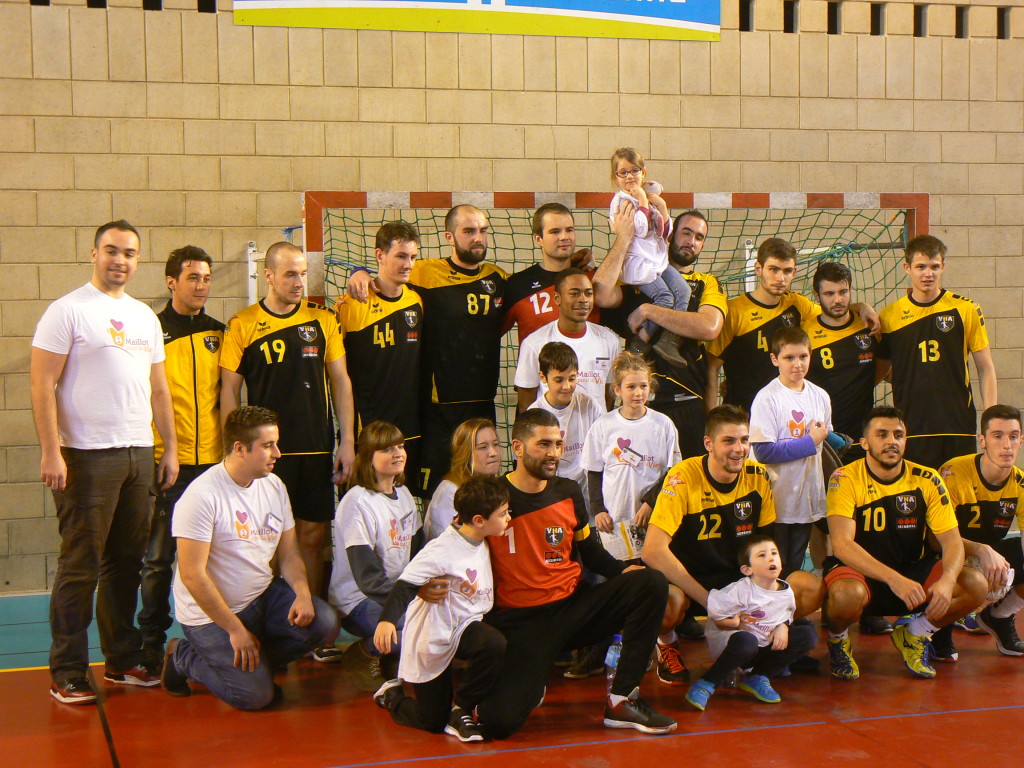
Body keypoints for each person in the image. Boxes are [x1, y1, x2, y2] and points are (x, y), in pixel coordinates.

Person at [31, 220, 179, 705]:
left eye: (130, 253)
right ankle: (68, 670)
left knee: (126, 565)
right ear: (94, 254)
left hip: (138, 453)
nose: (120, 260)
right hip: (85, 457)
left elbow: (159, 389)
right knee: (81, 567)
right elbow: (41, 384)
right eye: (112, 250)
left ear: (138, 260)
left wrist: (169, 447)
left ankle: (120, 659)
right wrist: (51, 450)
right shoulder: (67, 310)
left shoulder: (144, 316)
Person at [476, 409, 676, 738]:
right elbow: (460, 550)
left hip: (573, 608)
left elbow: (590, 552)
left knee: (650, 582)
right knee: (498, 722)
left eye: (557, 444)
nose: (553, 453)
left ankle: (622, 699)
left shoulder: (568, 491)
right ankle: (530, 679)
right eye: (543, 444)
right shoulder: (491, 498)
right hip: (523, 623)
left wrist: (624, 571)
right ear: (518, 447)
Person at [162, 406, 339, 710]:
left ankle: (255, 664)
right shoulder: (201, 496)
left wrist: (302, 593)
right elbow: (192, 575)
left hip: (261, 597)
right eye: (268, 445)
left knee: (325, 622)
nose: (277, 453)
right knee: (255, 696)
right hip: (211, 617)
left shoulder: (274, 486)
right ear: (239, 449)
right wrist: (235, 630)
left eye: (276, 443)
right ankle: (183, 656)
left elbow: (289, 554)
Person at [642, 405, 825, 687]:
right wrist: (712, 603)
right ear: (708, 443)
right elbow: (652, 551)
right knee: (665, 599)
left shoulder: (757, 475)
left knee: (811, 587)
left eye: (744, 440)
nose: (739, 449)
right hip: (693, 580)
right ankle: (667, 643)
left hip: (740, 578)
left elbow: (765, 543)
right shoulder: (683, 477)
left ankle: (766, 642)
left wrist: (770, 603)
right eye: (728, 441)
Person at [221, 241, 356, 599]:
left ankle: (310, 616)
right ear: (268, 275)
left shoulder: (323, 320)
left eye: (303, 274)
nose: (299, 282)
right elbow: (229, 391)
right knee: (264, 539)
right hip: (265, 453)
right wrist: (232, 449)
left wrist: (347, 440)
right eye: (290, 274)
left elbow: (341, 382)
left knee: (313, 536)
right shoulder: (242, 324)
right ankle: (268, 615)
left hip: (314, 446)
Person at [346, 205, 508, 497]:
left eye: (483, 230)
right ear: (450, 236)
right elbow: (388, 274)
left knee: (479, 490)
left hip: (482, 405)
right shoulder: (423, 273)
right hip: (436, 408)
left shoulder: (498, 278)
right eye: (469, 231)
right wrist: (359, 272)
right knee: (428, 491)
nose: (478, 237)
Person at [822, 406, 987, 681]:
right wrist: (893, 579)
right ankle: (838, 641)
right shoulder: (845, 477)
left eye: (898, 435)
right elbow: (841, 544)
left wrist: (948, 580)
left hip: (912, 571)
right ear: (865, 443)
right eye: (882, 435)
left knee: (976, 584)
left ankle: (915, 633)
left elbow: (951, 541)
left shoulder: (927, 478)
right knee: (844, 595)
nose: (892, 441)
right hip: (860, 574)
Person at [372, 476, 511, 743]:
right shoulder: (441, 550)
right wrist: (387, 621)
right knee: (433, 721)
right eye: (503, 514)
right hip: (433, 634)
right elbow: (405, 585)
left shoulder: (482, 535)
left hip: (463, 627)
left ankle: (461, 709)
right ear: (479, 520)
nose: (508, 518)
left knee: (492, 643)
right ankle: (391, 697)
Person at [138, 245, 225, 670]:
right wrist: (164, 453)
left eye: (206, 278)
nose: (201, 286)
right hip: (167, 465)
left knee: (216, 561)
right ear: (171, 282)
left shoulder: (220, 333)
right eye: (192, 278)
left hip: (214, 465)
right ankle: (151, 642)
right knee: (158, 561)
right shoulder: (152, 332)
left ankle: (216, 638)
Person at [594, 209, 726, 459]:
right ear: (670, 235)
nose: (691, 241)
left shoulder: (705, 282)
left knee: (688, 481)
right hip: (639, 403)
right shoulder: (636, 279)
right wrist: (624, 237)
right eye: (686, 233)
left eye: (699, 237)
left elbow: (708, 327)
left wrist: (649, 311)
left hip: (687, 403)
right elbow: (599, 294)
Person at [706, 237, 880, 416]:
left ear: (794, 272)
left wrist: (862, 307)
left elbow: (832, 310)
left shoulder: (797, 304)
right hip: (744, 415)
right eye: (773, 269)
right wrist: (710, 419)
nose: (780, 278)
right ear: (758, 268)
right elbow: (711, 368)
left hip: (786, 415)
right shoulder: (733, 311)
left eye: (787, 271)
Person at [878, 234, 997, 471]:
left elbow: (986, 368)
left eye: (934, 267)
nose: (928, 274)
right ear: (907, 268)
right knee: (917, 491)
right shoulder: (889, 316)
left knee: (959, 489)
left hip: (958, 422)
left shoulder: (965, 309)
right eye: (921, 267)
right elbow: (882, 371)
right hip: (911, 425)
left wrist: (991, 419)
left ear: (943, 266)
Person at [329, 422, 423, 692]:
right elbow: (368, 580)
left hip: (398, 594)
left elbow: (418, 553)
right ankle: (365, 652)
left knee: (435, 620)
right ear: (369, 456)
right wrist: (412, 601)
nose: (398, 454)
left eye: (400, 447)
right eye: (387, 449)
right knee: (422, 626)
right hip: (359, 600)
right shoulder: (357, 502)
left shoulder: (404, 494)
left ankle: (390, 655)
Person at [335, 221, 424, 488]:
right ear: (380, 255)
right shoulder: (351, 305)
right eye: (401, 256)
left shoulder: (416, 301)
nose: (408, 264)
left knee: (403, 505)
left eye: (413, 257)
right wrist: (347, 439)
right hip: (367, 432)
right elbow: (336, 375)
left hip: (408, 431)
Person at [932, 404, 1024, 661]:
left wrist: (1005, 572)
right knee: (962, 569)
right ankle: (937, 627)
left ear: (1021, 440)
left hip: (987, 555)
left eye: (1013, 436)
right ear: (982, 440)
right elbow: (936, 538)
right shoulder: (954, 472)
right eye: (998, 436)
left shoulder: (1020, 483)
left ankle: (999, 616)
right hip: (944, 554)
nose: (1007, 445)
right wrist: (981, 551)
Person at [684, 535, 818, 711]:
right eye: (762, 555)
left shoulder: (786, 592)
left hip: (760, 644)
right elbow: (715, 613)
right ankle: (707, 683)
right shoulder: (739, 590)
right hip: (733, 646)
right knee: (747, 640)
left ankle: (759, 676)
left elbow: (786, 615)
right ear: (747, 569)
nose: (771, 558)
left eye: (774, 553)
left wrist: (783, 626)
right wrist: (734, 623)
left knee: (808, 635)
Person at [582, 352, 681, 562]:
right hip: (615, 518)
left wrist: (650, 503)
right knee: (620, 572)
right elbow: (594, 472)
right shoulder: (603, 425)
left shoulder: (663, 425)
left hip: (653, 516)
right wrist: (598, 510)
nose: (638, 393)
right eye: (631, 387)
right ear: (618, 390)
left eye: (643, 386)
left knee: (652, 569)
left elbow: (673, 472)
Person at [749, 326, 832, 575]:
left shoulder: (820, 396)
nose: (797, 364)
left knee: (794, 567)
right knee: (774, 568)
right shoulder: (767, 397)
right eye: (789, 358)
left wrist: (839, 441)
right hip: (776, 500)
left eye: (803, 356)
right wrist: (810, 442)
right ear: (775, 359)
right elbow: (764, 452)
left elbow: (824, 436)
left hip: (805, 497)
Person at [607, 147, 691, 366]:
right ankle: (639, 342)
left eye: (634, 170)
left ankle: (670, 340)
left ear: (643, 172)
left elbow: (665, 233)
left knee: (684, 290)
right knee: (665, 297)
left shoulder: (648, 195)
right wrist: (644, 201)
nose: (629, 177)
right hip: (639, 264)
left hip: (657, 260)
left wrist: (662, 207)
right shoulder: (621, 202)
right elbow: (641, 230)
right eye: (623, 172)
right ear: (615, 177)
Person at [514, 268, 621, 412]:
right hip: (551, 426)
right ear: (557, 298)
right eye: (574, 294)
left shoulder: (610, 341)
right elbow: (526, 402)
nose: (583, 299)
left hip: (595, 426)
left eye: (588, 293)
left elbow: (609, 395)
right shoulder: (534, 343)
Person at [804, 261, 880, 461]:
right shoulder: (804, 333)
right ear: (817, 296)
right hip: (823, 437)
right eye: (829, 294)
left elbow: (884, 367)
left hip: (862, 436)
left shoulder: (869, 326)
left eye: (843, 292)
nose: (837, 300)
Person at [501, 202, 600, 344]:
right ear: (538, 239)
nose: (564, 237)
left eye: (569, 230)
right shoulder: (517, 285)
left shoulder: (591, 278)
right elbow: (489, 334)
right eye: (555, 232)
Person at [528, 342, 604, 503]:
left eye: (572, 378)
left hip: (587, 494)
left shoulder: (589, 405)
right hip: (552, 495)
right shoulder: (535, 414)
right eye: (558, 380)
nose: (567, 386)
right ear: (543, 377)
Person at [422, 418, 502, 541]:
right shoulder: (450, 493)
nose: (493, 453)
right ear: (465, 453)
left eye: (495, 444)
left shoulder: (492, 486)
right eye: (483, 447)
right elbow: (455, 545)